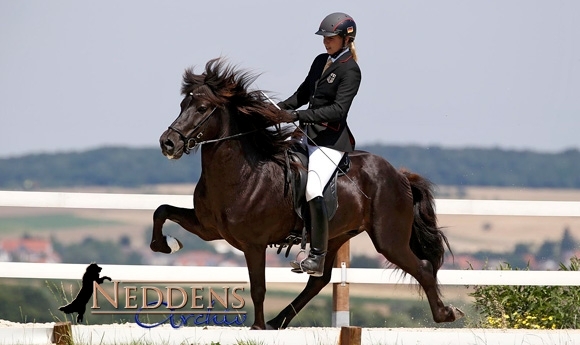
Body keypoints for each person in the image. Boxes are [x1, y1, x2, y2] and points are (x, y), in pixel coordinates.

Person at [278, 12, 361, 277]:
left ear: (346, 39)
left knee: (314, 189)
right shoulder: (320, 61)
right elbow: (303, 94)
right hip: (307, 135)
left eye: (331, 38)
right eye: (324, 38)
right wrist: (278, 109)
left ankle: (317, 257)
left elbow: (338, 111)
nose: (326, 42)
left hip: (330, 141)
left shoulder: (351, 70)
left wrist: (298, 115)